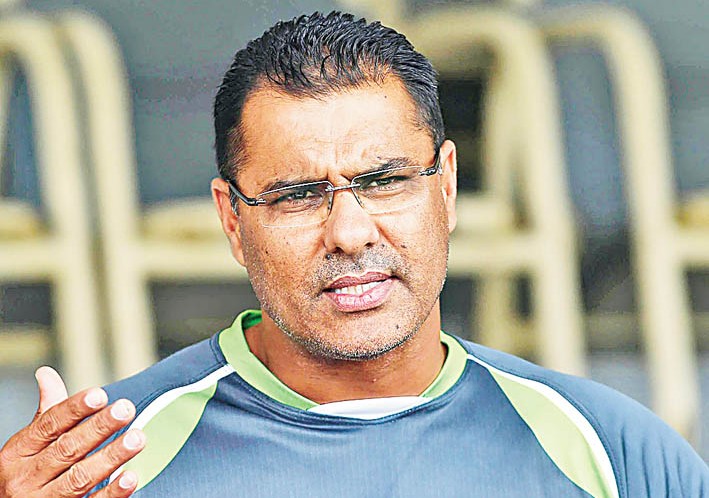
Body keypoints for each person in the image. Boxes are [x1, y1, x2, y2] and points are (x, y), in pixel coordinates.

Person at [1, 10, 707, 498]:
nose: (350, 232)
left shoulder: (611, 452)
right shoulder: (111, 465)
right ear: (232, 219)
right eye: (297, 195)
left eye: (385, 181)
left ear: (447, 186)